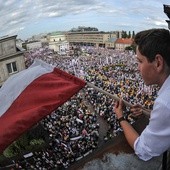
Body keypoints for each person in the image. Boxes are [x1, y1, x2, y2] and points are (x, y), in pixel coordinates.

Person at [114, 28, 170, 161]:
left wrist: (121, 117)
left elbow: (143, 150)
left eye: (140, 61)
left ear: (158, 63)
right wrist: (146, 111)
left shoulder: (165, 103)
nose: (137, 67)